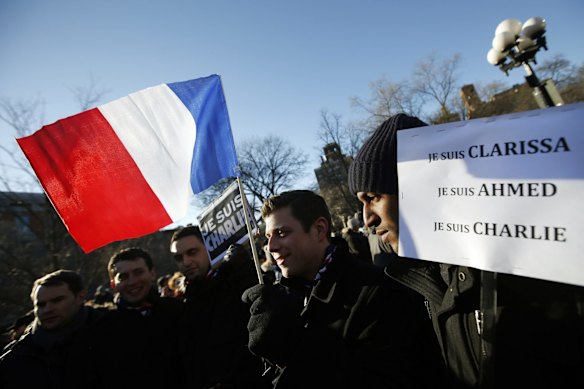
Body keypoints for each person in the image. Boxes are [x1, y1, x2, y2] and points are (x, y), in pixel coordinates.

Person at [347, 113, 584, 388]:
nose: (366, 219)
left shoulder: (522, 268)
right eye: (362, 203)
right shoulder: (421, 278)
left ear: (418, 186)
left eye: (374, 197)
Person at [241, 190, 448, 388]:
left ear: (319, 230)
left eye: (282, 233)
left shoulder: (377, 293)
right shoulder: (286, 302)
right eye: (268, 236)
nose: (272, 246)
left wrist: (296, 351)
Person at [170, 225, 269, 389]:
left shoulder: (238, 283)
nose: (186, 262)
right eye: (179, 258)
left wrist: (244, 271)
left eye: (192, 252)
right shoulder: (183, 304)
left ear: (209, 249)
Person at [83, 247, 183, 388]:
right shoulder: (101, 329)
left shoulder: (179, 312)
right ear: (113, 284)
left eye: (138, 272)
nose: (132, 282)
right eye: (123, 277)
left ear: (152, 273)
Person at [0, 270, 108, 388]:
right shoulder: (16, 358)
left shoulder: (115, 335)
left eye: (57, 300)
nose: (48, 309)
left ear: (80, 297)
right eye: (41, 304)